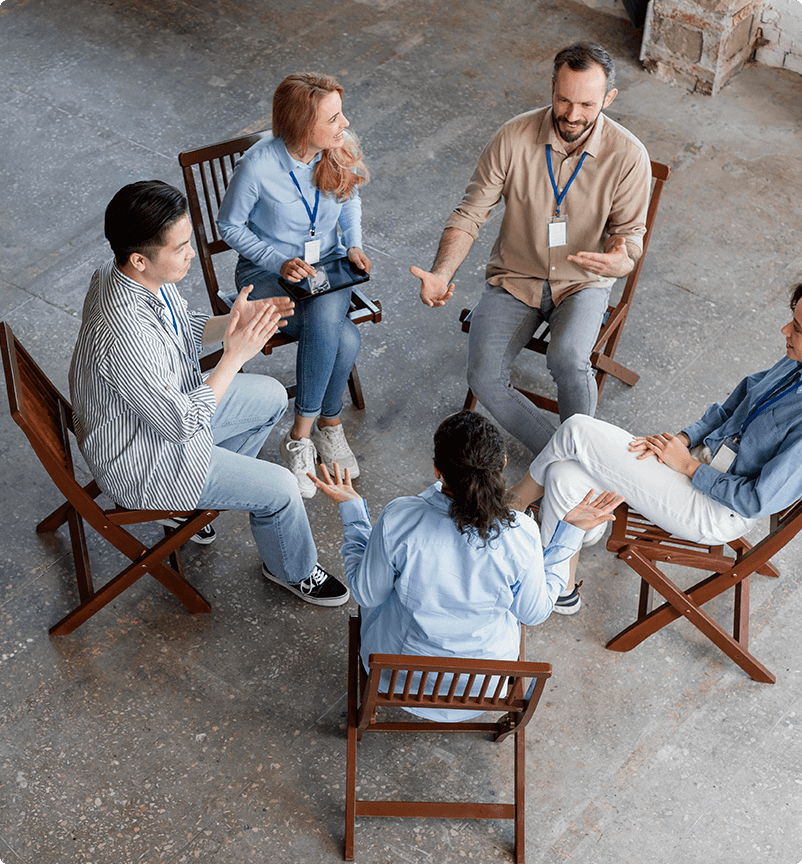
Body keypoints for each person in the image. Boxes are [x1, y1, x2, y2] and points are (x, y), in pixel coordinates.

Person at [69, 180, 349, 607]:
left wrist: (234, 321)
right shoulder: (124, 333)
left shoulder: (126, 274)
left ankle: (194, 507)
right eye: (181, 247)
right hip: (145, 461)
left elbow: (181, 326)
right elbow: (182, 424)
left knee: (271, 396)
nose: (191, 255)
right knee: (280, 488)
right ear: (139, 259)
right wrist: (234, 356)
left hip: (156, 418)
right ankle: (291, 569)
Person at [411, 42, 651, 456]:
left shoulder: (629, 156)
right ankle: (564, 457)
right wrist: (442, 272)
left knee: (569, 359)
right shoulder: (512, 137)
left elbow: (628, 238)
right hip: (515, 277)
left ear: (609, 98)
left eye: (587, 104)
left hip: (582, 283)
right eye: (564, 99)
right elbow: (470, 214)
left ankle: (575, 455)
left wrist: (617, 260)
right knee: (483, 377)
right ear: (552, 87)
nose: (572, 115)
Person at [508, 284, 802, 614]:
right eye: (791, 320)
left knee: (577, 430)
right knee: (563, 475)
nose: (785, 330)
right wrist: (683, 440)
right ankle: (561, 590)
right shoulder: (794, 363)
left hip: (714, 507)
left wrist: (688, 466)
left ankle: (511, 507)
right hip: (695, 461)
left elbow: (756, 500)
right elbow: (732, 408)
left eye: (798, 328)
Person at [310, 410, 621, 719]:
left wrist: (354, 514)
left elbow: (367, 594)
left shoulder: (400, 519)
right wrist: (568, 536)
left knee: (383, 585)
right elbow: (533, 613)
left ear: (437, 470)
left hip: (398, 681)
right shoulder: (521, 534)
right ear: (503, 463)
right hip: (483, 688)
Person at [217, 72, 371, 498]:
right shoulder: (257, 166)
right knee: (343, 337)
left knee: (326, 316)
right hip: (266, 273)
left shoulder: (338, 147)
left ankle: (301, 435)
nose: (344, 124)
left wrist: (354, 244)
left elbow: (350, 199)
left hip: (326, 267)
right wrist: (278, 262)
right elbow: (229, 226)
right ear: (303, 126)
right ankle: (326, 423)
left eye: (341, 114)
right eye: (333, 118)